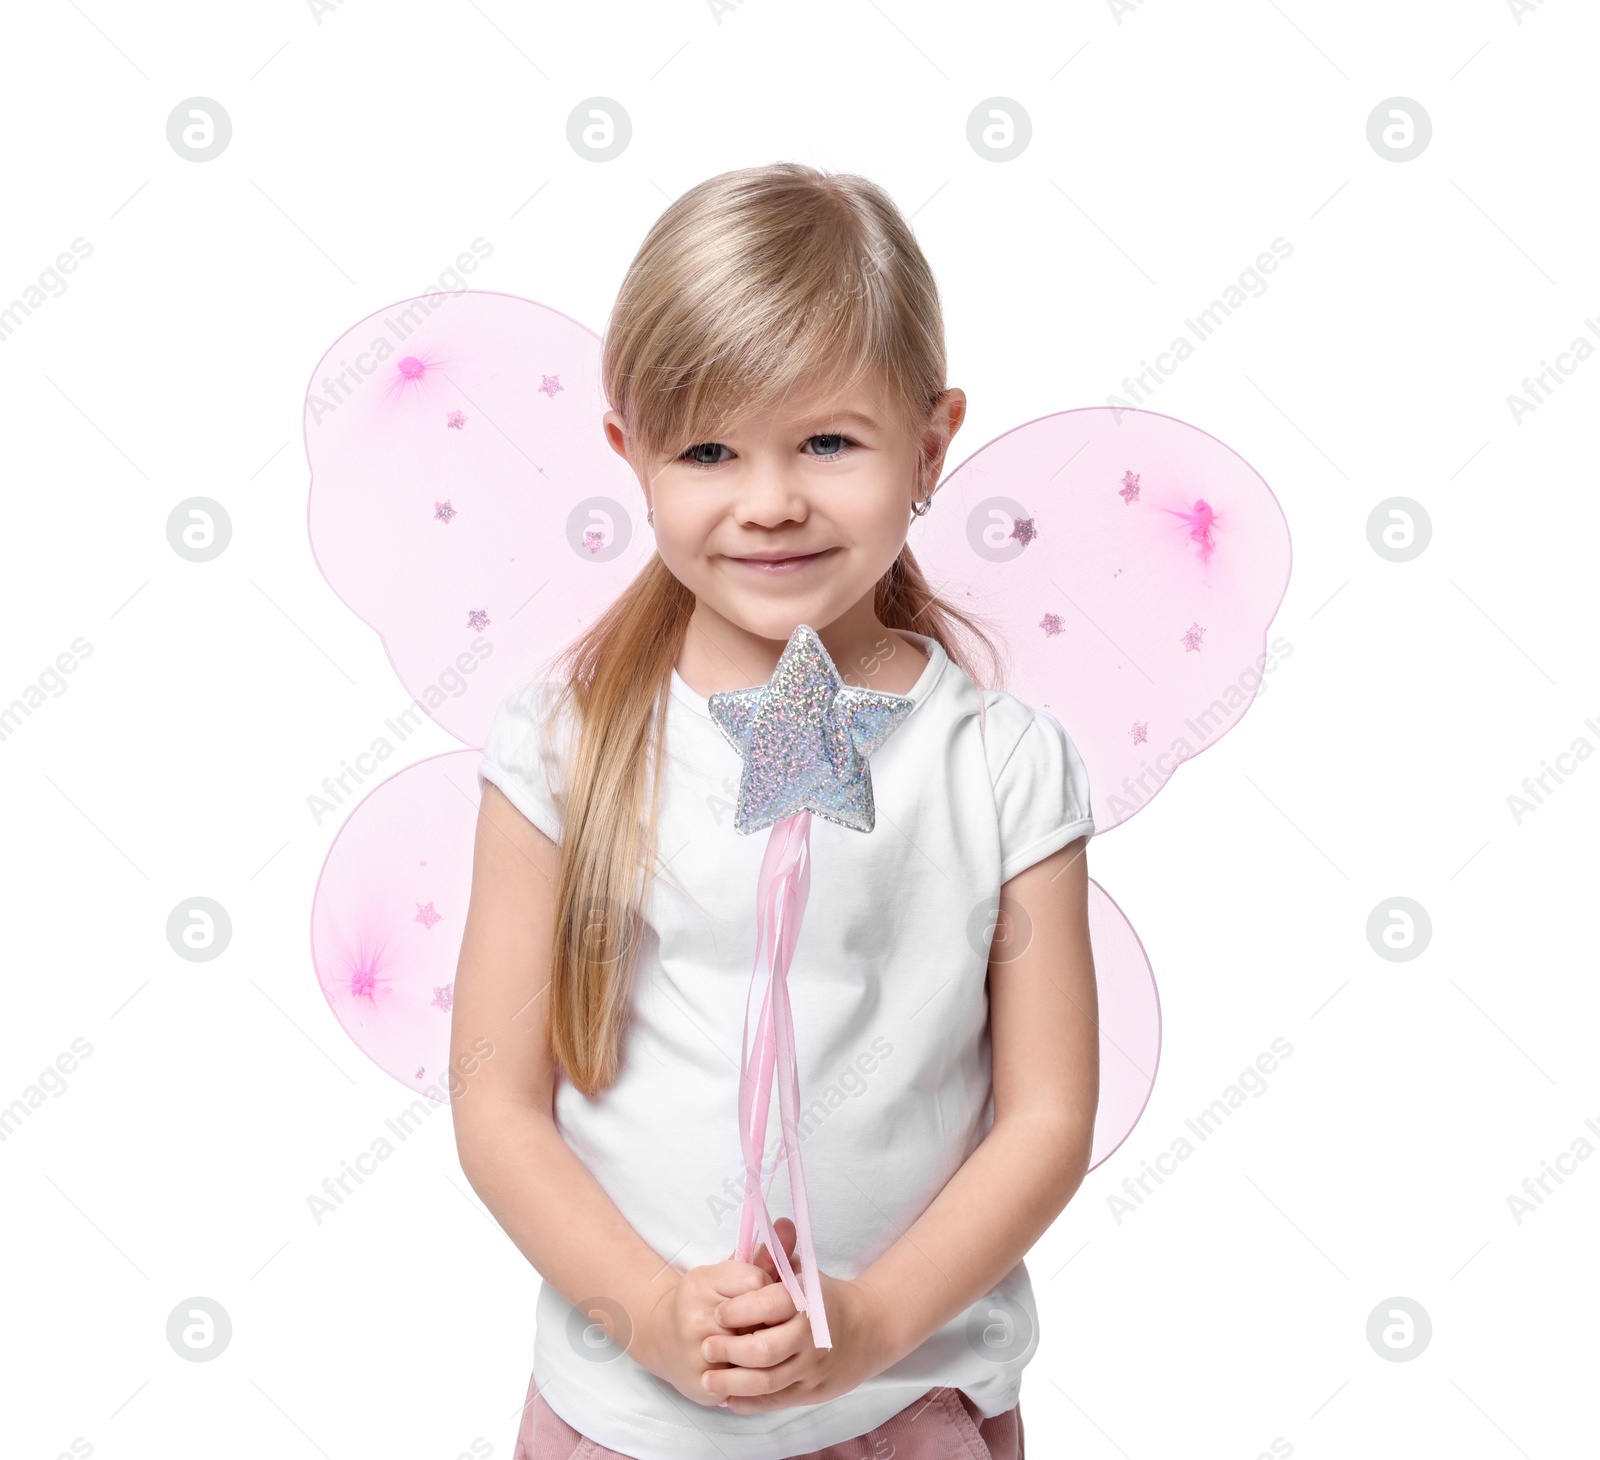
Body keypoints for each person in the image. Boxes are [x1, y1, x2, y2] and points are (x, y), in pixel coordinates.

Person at [449, 161, 1099, 1460]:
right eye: (707, 449)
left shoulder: (1002, 768)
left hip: (905, 1407)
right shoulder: (564, 750)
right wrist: (649, 1310)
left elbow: (1046, 1117)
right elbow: (495, 1102)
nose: (769, 501)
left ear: (930, 440)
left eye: (828, 441)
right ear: (629, 454)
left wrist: (870, 1326)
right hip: (627, 1417)